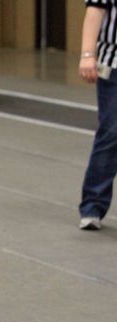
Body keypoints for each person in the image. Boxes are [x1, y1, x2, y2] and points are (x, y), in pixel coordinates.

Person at [79, 0, 117, 230]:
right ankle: (93, 204)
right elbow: (95, 9)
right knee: (111, 132)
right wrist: (87, 53)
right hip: (113, 64)